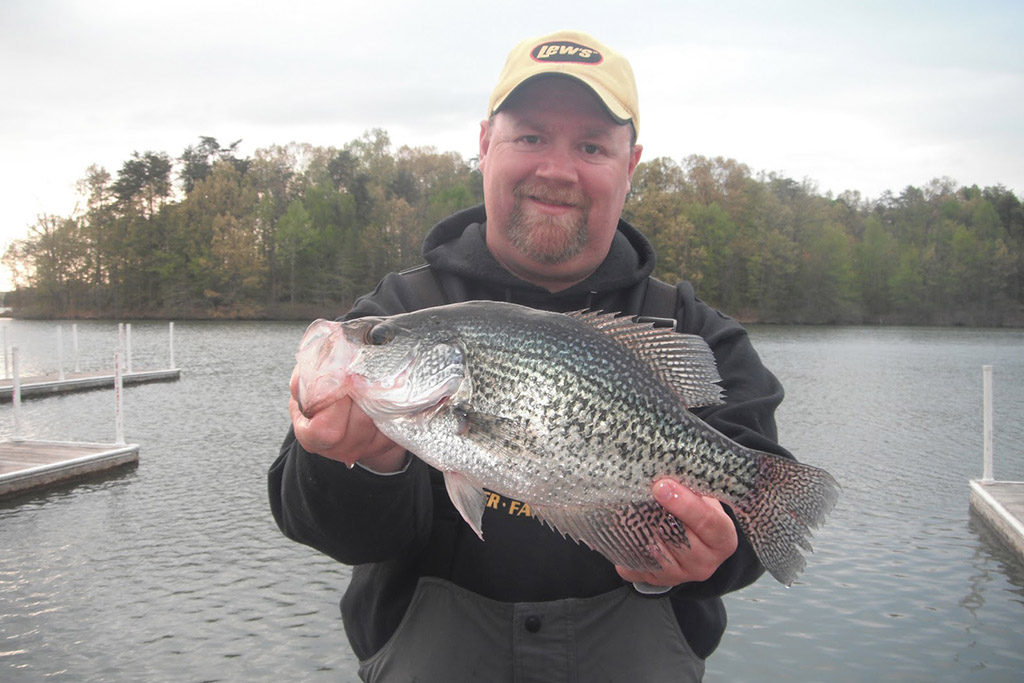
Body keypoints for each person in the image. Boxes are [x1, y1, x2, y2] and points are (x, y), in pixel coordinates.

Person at [269, 29, 792, 682]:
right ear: (486, 144)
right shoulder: (402, 308)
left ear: (629, 166)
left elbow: (758, 509)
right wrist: (357, 464)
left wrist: (724, 549)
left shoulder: (690, 329)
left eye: (592, 145)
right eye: (532, 136)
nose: (557, 168)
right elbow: (314, 520)